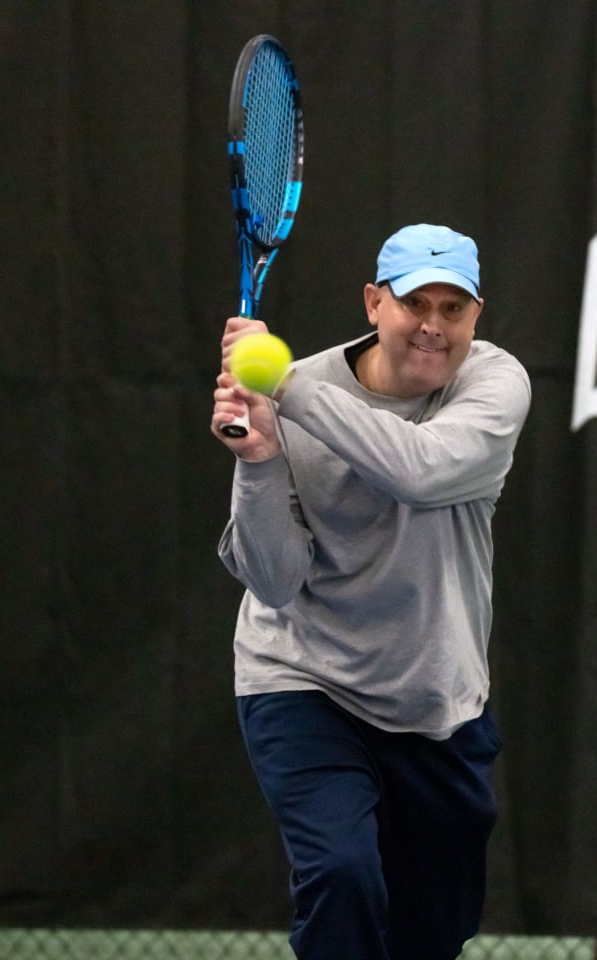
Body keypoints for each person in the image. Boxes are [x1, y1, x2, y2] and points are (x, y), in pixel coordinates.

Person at [210, 223, 531, 959]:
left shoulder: (495, 383)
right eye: (416, 302)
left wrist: (283, 388)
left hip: (434, 700)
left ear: (477, 317)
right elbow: (274, 579)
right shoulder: (305, 391)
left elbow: (419, 472)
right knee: (343, 873)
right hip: (302, 678)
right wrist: (258, 461)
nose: (433, 326)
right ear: (372, 304)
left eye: (455, 308)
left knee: (432, 932)